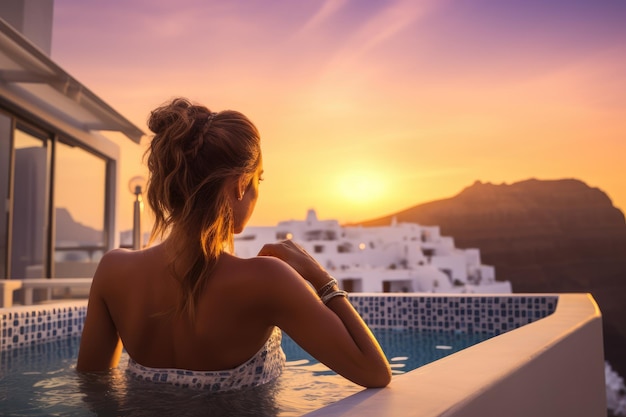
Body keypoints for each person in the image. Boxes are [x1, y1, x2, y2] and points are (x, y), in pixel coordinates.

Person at [76, 97, 391, 392]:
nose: (257, 193)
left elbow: (93, 387)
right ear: (240, 185)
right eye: (258, 181)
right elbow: (374, 372)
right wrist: (318, 275)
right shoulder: (268, 279)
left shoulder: (113, 270)